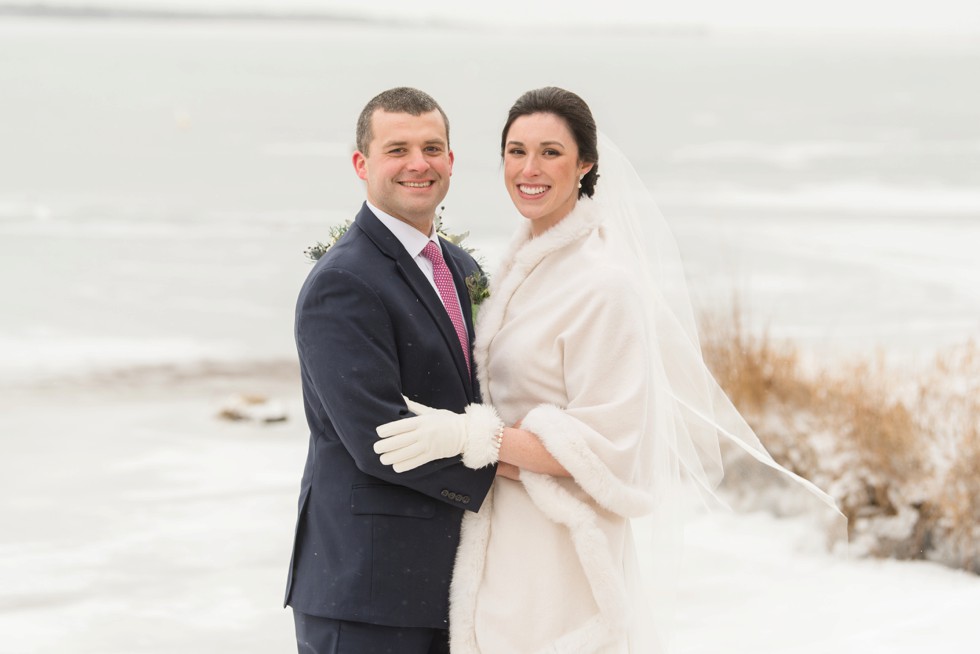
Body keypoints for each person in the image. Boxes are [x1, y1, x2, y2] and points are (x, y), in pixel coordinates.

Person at [373, 87, 846, 653]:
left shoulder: (605, 283)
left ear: (586, 164)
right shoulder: (518, 271)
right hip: (499, 548)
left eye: (551, 152)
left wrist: (472, 436)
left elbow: (611, 451)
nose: (529, 169)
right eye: (516, 151)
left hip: (563, 557)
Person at [285, 87, 498, 654]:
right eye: (397, 148)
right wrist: (515, 467)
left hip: (451, 586)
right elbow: (378, 437)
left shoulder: (460, 266)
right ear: (362, 164)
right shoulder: (343, 282)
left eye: (432, 147)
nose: (418, 163)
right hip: (366, 591)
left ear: (451, 160)